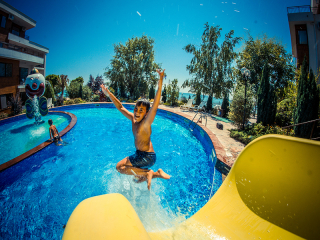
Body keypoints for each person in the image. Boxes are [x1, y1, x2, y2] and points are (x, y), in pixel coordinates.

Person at [100, 69, 170, 190]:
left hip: (148, 157)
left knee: (120, 167)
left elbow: (155, 105)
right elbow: (121, 107)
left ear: (146, 113)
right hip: (139, 154)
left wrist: (161, 80)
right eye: (136, 109)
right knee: (136, 178)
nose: (137, 113)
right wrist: (109, 94)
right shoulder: (133, 119)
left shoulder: (146, 124)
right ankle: (154, 174)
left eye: (141, 111)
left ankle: (150, 173)